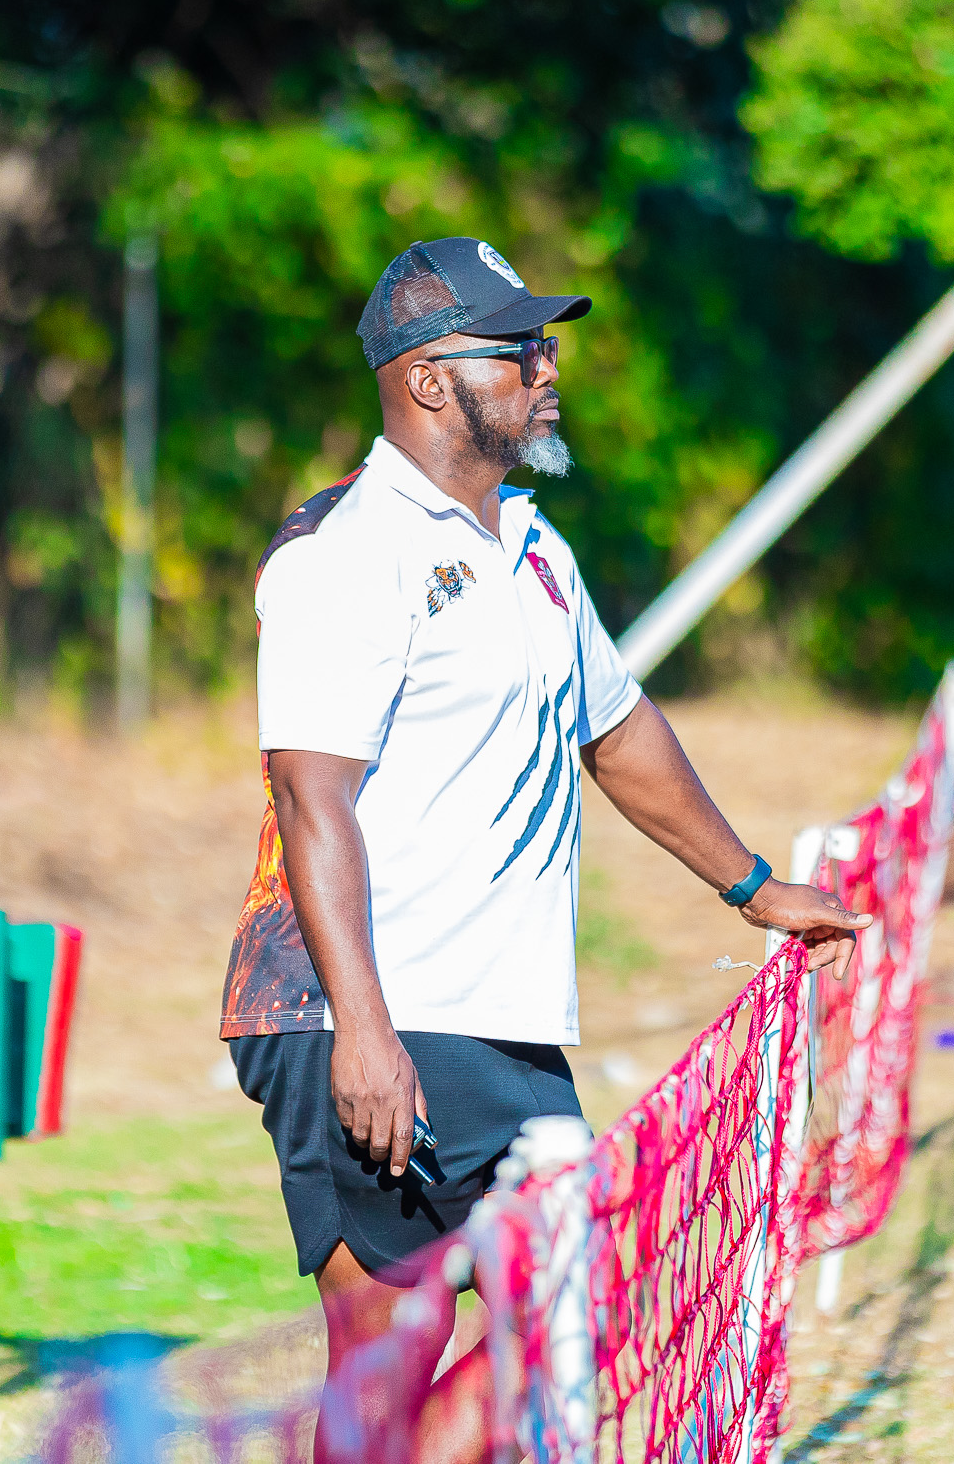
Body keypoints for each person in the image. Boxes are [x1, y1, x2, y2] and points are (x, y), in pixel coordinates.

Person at [218, 237, 868, 1458]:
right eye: (518, 349)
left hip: (488, 1010)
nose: (546, 369)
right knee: (542, 1308)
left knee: (420, 1358)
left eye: (546, 345)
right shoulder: (348, 552)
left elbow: (615, 729)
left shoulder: (528, 543)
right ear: (425, 380)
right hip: (366, 1004)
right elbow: (312, 797)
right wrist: (364, 1031)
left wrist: (750, 884)